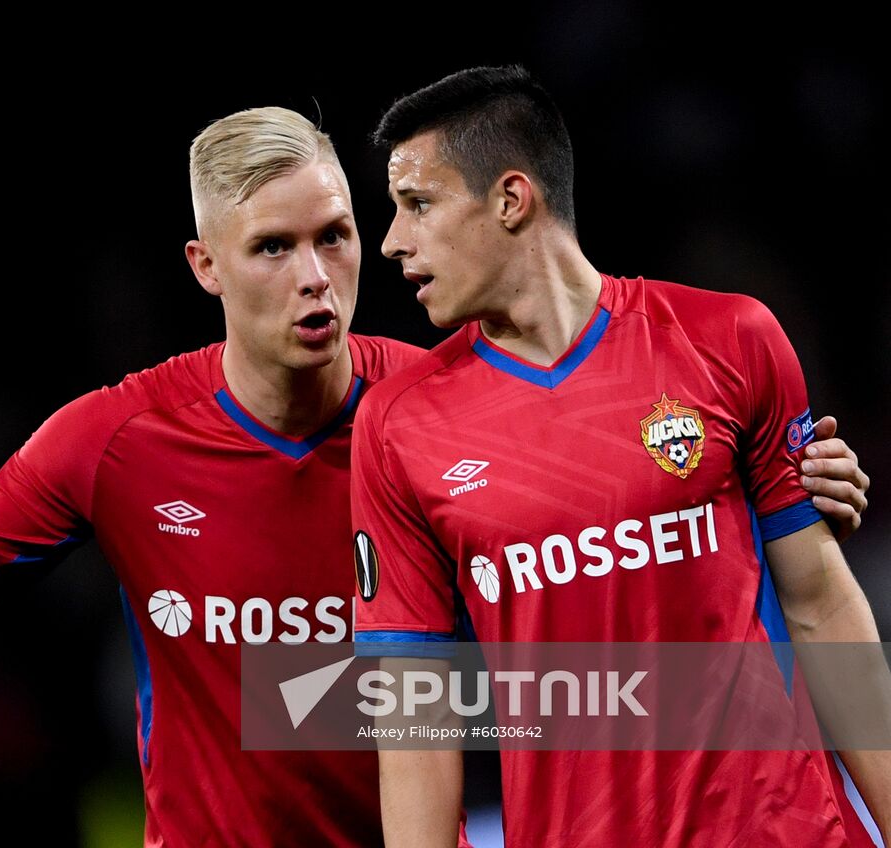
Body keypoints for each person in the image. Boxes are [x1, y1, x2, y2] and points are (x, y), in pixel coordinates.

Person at [0, 106, 868, 848]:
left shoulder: (444, 401)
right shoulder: (117, 440)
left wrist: (768, 496)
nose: (319, 275)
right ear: (206, 269)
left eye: (338, 236)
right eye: (273, 247)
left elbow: (630, 589)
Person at [350, 64, 887, 847]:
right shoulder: (399, 426)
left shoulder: (726, 340)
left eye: (418, 205)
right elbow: (413, 711)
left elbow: (821, 604)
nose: (393, 241)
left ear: (510, 199)